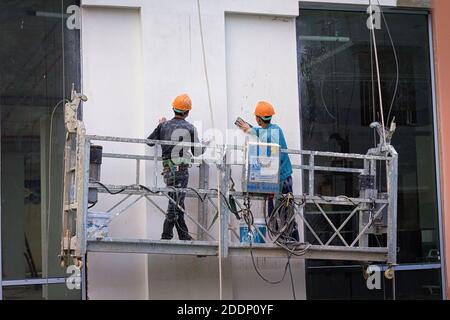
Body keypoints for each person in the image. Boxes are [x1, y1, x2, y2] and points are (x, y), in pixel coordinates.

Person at [236, 101, 299, 242]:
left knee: (282, 210)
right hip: (279, 178)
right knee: (279, 211)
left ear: (258, 118)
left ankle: (288, 239)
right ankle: (284, 238)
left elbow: (266, 150)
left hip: (281, 179)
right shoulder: (275, 129)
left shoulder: (270, 134)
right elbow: (261, 132)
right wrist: (248, 128)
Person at [147, 93, 205, 241]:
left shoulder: (164, 126)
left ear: (173, 109)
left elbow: (150, 142)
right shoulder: (190, 128)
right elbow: (197, 152)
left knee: (178, 202)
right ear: (187, 112)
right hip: (181, 171)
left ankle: (184, 236)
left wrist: (160, 126)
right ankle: (166, 236)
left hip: (167, 170)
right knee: (175, 204)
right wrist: (205, 144)